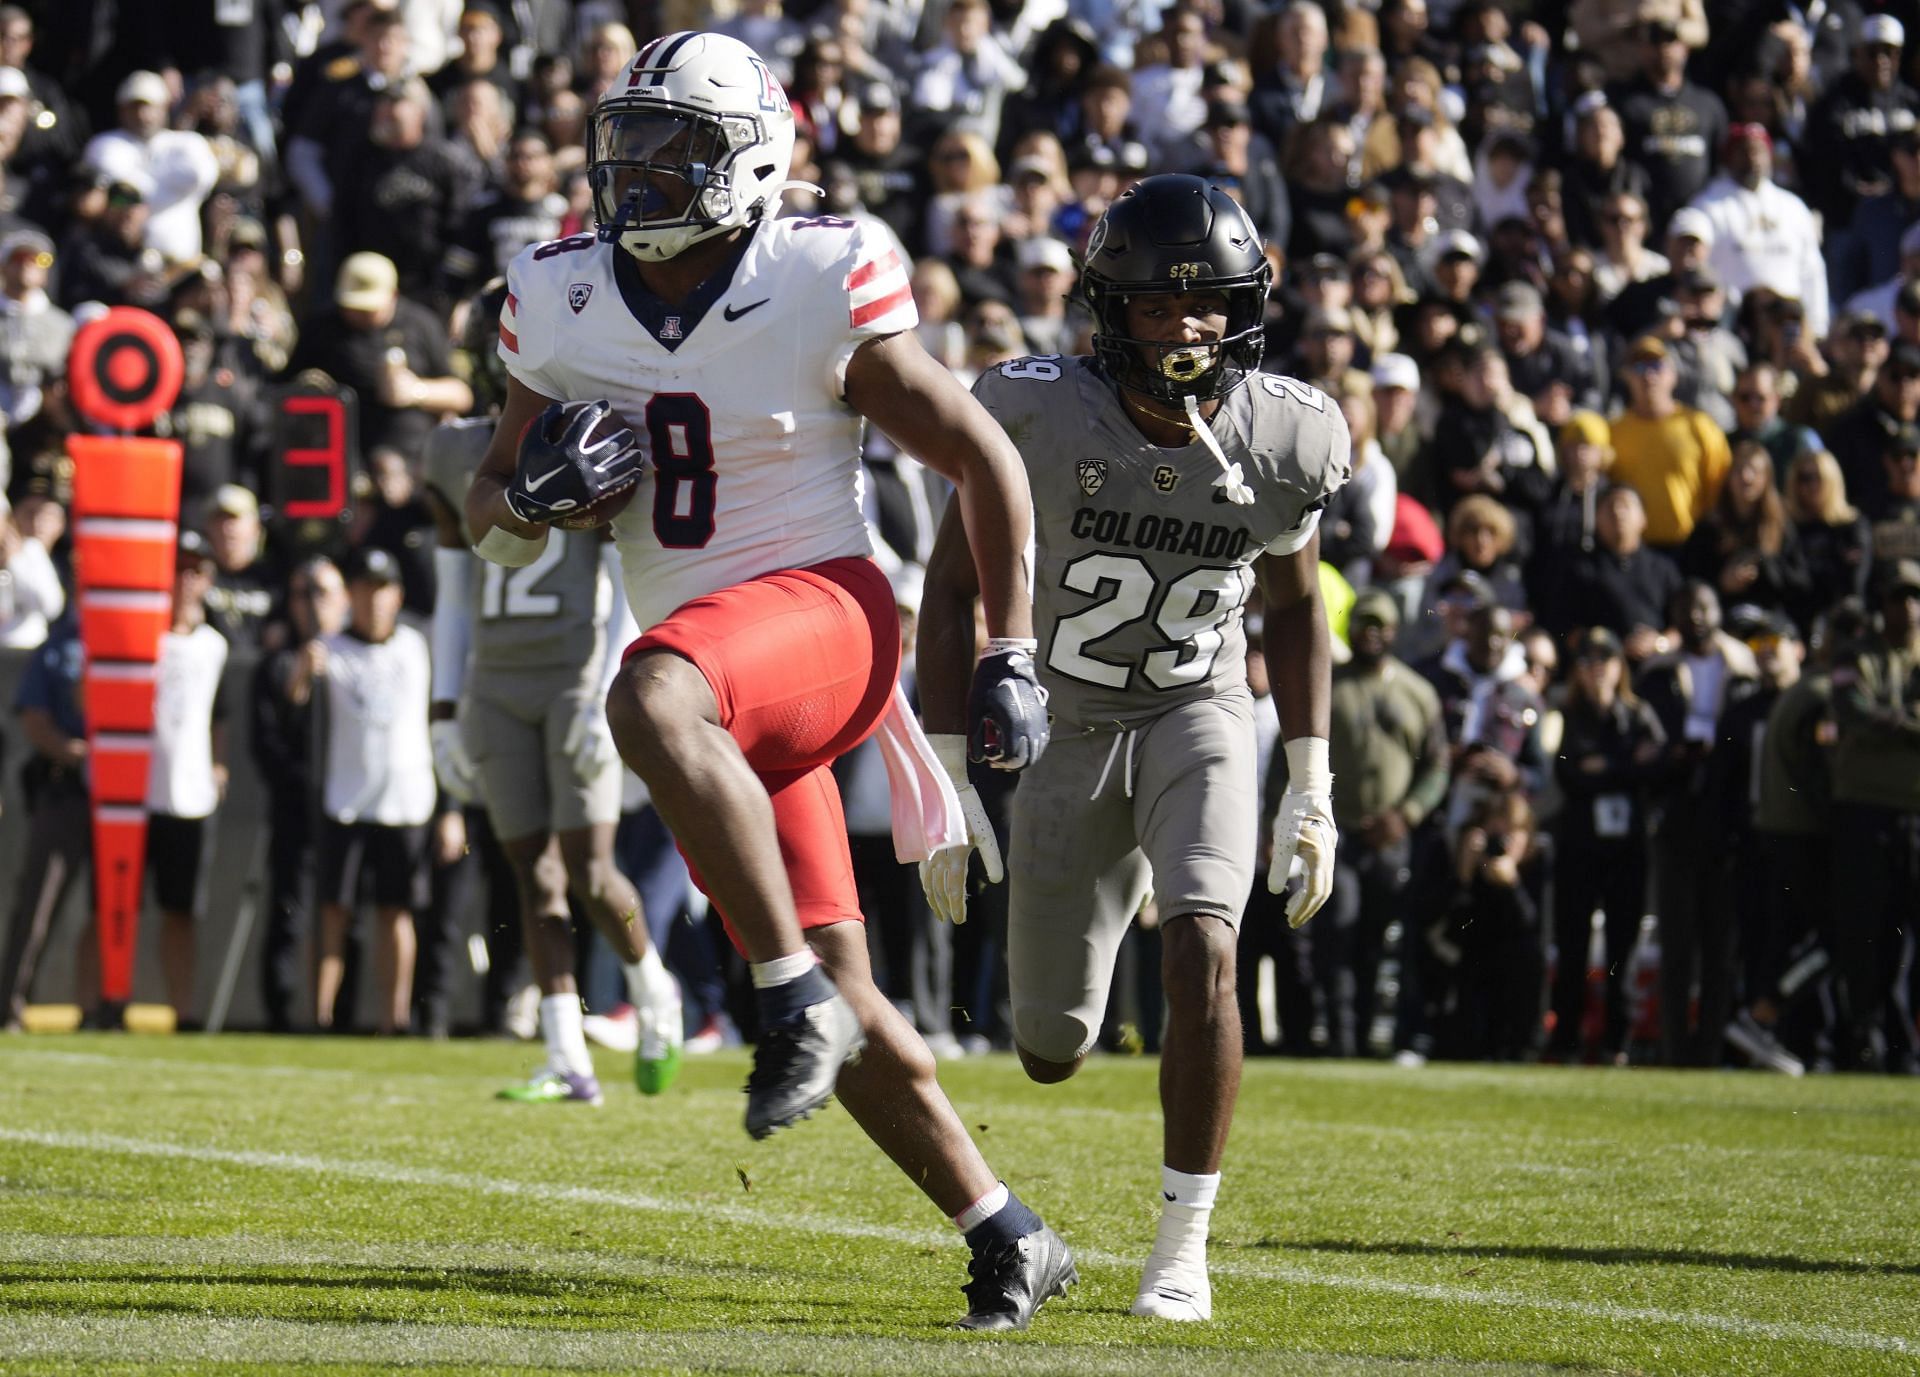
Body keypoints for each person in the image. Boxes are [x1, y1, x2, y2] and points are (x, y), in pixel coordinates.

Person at [463, 32, 1072, 1331]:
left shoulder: (815, 270)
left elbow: (983, 458)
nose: (638, 168)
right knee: (846, 1004)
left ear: (747, 158)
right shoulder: (560, 292)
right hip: (720, 706)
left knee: (650, 698)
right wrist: (527, 493)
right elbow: (482, 507)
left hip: (824, 623)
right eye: (627, 139)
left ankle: (782, 996)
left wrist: (1010, 648)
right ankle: (1004, 1226)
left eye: (673, 143)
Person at [919, 175, 1349, 1323]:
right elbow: (952, 585)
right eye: (1158, 307)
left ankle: (1183, 1249)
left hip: (1197, 708)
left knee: (1207, 941)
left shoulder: (1286, 431)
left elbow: (1301, 608)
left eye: (1208, 303)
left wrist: (1311, 782)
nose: (1187, 328)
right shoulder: (1030, 409)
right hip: (1063, 724)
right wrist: (948, 775)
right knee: (1051, 1045)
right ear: (1110, 313)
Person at [422, 280, 679, 1104]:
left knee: (593, 871)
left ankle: (653, 990)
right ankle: (567, 1055)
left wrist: (609, 677)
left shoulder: (581, 433)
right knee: (529, 873)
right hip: (496, 679)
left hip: (572, 672)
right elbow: (454, 587)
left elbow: (616, 566)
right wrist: (443, 705)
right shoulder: (454, 447)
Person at [303, 547, 433, 1036]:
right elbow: (295, 706)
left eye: (382, 590)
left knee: (394, 911)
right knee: (334, 911)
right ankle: (321, 1015)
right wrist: (304, 670)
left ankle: (394, 1018)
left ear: (396, 596)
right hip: (346, 800)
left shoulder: (416, 646)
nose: (373, 601)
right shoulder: (330, 649)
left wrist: (450, 808)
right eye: (363, 590)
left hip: (405, 801)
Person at [1546, 626, 1665, 1064]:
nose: (1598, 671)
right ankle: (1565, 1040)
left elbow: (1657, 767)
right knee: (1572, 943)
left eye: (1606, 662)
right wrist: (1624, 764)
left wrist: (1604, 766)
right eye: (1589, 663)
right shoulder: (1568, 714)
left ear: (1620, 668)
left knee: (1622, 946)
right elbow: (1568, 773)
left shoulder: (1637, 714)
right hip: (1580, 844)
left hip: (1626, 847)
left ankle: (1617, 1041)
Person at [1826, 559, 1920, 1073]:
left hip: (1914, 813)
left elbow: (1870, 717)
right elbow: (1851, 711)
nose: (1906, 607)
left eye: (1914, 597)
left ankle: (1905, 1044)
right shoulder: (1857, 655)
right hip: (1864, 812)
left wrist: (1888, 722)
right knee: (1868, 934)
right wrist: (1908, 724)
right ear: (1881, 604)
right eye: (1897, 597)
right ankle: (1867, 1042)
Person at [250, 555, 348, 1033]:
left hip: (347, 806)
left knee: (343, 910)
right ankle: (282, 1011)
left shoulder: (356, 658)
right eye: (300, 594)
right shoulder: (277, 665)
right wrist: (297, 687)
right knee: (288, 911)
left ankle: (340, 1013)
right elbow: (267, 743)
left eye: (321, 593)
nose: (310, 605)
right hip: (295, 806)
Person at [144, 530, 230, 1026]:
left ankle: (183, 1010)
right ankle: (103, 1002)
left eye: (196, 569)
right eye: (179, 567)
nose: (186, 579)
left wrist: (218, 765)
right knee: (113, 907)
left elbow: (221, 713)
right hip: (136, 791)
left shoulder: (215, 645)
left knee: (181, 912)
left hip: (188, 793)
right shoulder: (144, 636)